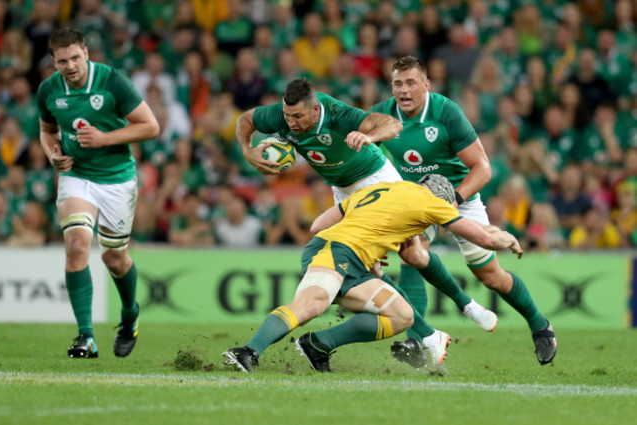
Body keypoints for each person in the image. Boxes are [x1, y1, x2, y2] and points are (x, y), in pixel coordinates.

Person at [237, 78, 497, 366]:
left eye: (298, 116)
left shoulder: (338, 116)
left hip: (375, 177)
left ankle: (465, 305)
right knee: (368, 267)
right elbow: (246, 120)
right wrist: (248, 150)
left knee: (412, 251)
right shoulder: (282, 117)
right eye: (288, 116)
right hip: (342, 188)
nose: (291, 123)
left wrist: (370, 137)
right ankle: (427, 334)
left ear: (315, 109)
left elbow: (393, 125)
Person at [223, 175, 523, 373]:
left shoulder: (381, 190)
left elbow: (317, 225)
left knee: (402, 316)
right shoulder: (432, 203)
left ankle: (317, 345)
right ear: (440, 200)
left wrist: (371, 248)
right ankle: (248, 351)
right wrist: (506, 238)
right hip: (339, 252)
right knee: (312, 304)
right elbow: (482, 238)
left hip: (348, 256)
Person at [369, 56, 557, 365]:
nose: (404, 90)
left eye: (411, 83)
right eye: (398, 84)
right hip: (416, 198)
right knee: (411, 252)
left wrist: (453, 200)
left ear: (426, 85)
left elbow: (482, 169)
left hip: (460, 195)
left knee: (491, 277)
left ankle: (539, 324)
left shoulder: (445, 112)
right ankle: (417, 341)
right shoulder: (379, 115)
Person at [37, 28, 160, 359]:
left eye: (76, 57)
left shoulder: (111, 81)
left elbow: (150, 126)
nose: (71, 65)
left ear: (86, 54)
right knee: (77, 246)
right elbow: (47, 131)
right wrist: (53, 154)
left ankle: (130, 313)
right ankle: (86, 337)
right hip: (76, 176)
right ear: (54, 62)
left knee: (114, 259)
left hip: (117, 179)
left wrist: (104, 138)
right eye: (63, 61)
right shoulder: (49, 90)